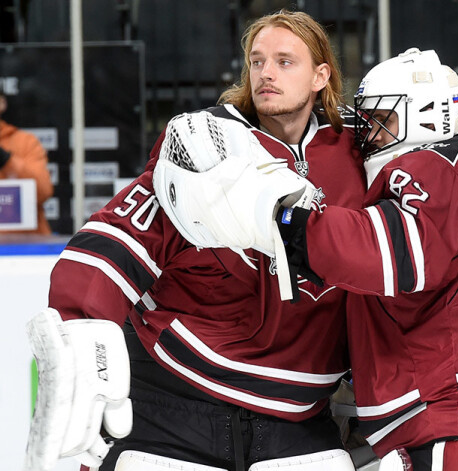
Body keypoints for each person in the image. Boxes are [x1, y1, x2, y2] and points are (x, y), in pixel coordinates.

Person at [24, 10, 366, 471]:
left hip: (299, 415)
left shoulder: (359, 157)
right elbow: (124, 233)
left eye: (285, 61)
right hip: (176, 397)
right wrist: (81, 325)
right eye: (257, 60)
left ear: (320, 75)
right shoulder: (206, 144)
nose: (266, 72)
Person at [268, 49, 458, 470]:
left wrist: (290, 225)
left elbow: (393, 253)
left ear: (428, 116)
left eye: (383, 121)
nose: (369, 136)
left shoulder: (436, 161)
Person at [0, 90, 53, 235]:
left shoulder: (25, 142)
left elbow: (43, 192)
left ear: (2, 103)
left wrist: (6, 159)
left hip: (26, 249)